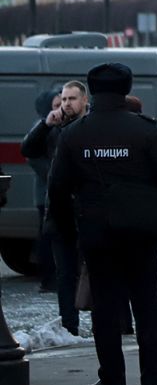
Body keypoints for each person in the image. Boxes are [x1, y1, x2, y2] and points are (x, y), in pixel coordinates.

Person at [47, 63, 157, 385]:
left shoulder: (74, 133)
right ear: (127, 89)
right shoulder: (145, 130)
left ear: (91, 91)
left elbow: (58, 188)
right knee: (147, 305)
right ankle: (154, 377)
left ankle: (111, 378)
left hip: (97, 233)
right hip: (140, 233)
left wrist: (68, 231)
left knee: (105, 307)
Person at [23, 80, 89, 336]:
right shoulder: (53, 128)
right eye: (63, 100)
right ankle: (69, 325)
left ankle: (109, 321)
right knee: (65, 274)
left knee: (98, 270)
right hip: (61, 213)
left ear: (84, 101)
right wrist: (44, 124)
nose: (66, 104)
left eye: (71, 99)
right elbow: (28, 149)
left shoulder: (90, 127)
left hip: (88, 211)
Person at [21, 89, 61, 293]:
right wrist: (56, 178)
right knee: (47, 238)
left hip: (56, 191)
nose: (60, 109)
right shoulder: (42, 127)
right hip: (46, 193)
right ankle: (48, 279)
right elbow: (34, 158)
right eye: (55, 105)